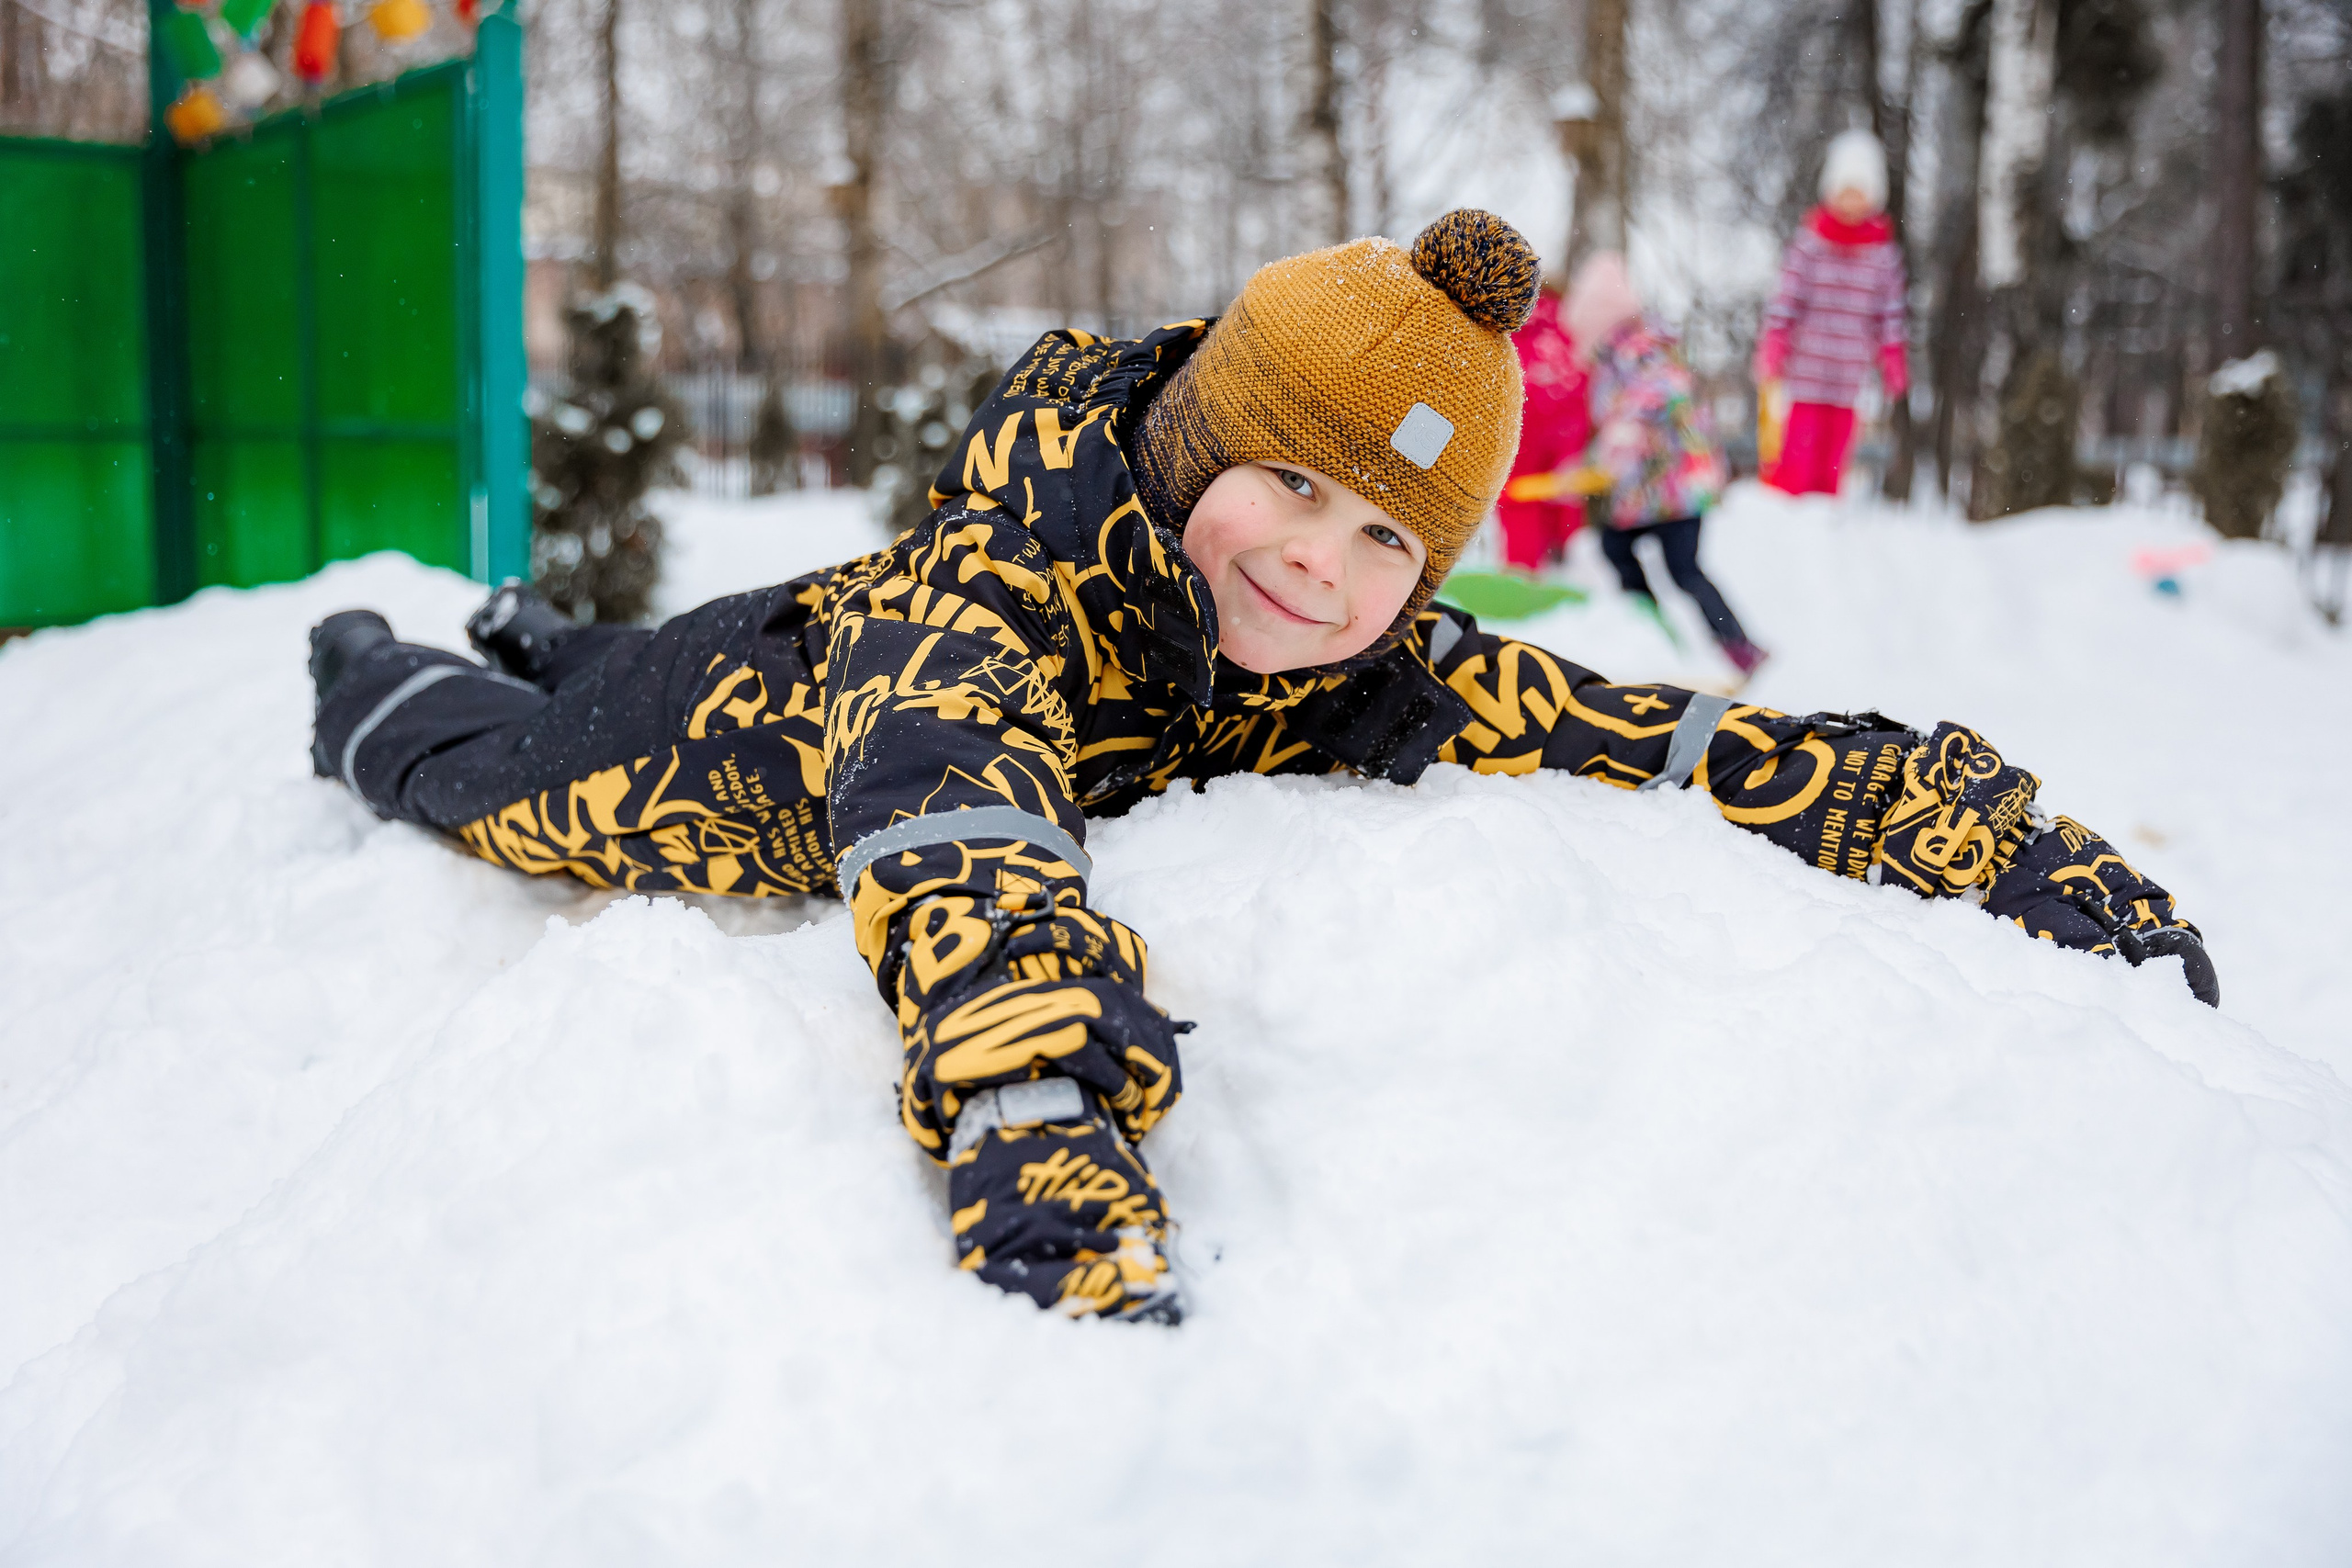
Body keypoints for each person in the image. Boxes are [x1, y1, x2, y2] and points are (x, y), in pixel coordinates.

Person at [307, 212, 2214, 1326]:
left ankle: (547, 623)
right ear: (1189, 434)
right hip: (727, 740)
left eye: (1384, 539)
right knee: (503, 761)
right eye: (1286, 482)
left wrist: (1954, 822)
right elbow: (959, 817)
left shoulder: (1332, 649)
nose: (1319, 560)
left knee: (647, 632)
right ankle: (396, 670)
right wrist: (1031, 1102)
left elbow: (1647, 726)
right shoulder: (987, 615)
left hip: (827, 628)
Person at [1563, 252, 1768, 676]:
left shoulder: (1643, 348)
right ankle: (1651, 634)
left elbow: (1656, 395)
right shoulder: (1617, 355)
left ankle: (1738, 646)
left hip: (1677, 486)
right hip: (1649, 489)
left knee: (1682, 569)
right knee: (1617, 548)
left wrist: (1614, 447)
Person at [1758, 129, 1909, 498]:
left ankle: (1825, 517)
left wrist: (1892, 353)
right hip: (1808, 368)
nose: (1852, 201)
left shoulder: (1883, 255)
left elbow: (1889, 313)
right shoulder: (1811, 244)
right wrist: (1775, 340)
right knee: (1800, 453)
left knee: (1835, 456)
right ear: (1831, 191)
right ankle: (1790, 511)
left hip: (1849, 373)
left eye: (1860, 192)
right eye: (1846, 191)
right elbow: (1786, 299)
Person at [1497, 276, 1591, 573]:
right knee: (1562, 494)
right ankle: (1565, 551)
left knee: (1520, 502)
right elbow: (1584, 379)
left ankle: (1523, 569)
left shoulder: (1511, 330)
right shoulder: (1567, 331)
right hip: (1567, 431)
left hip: (1522, 430)